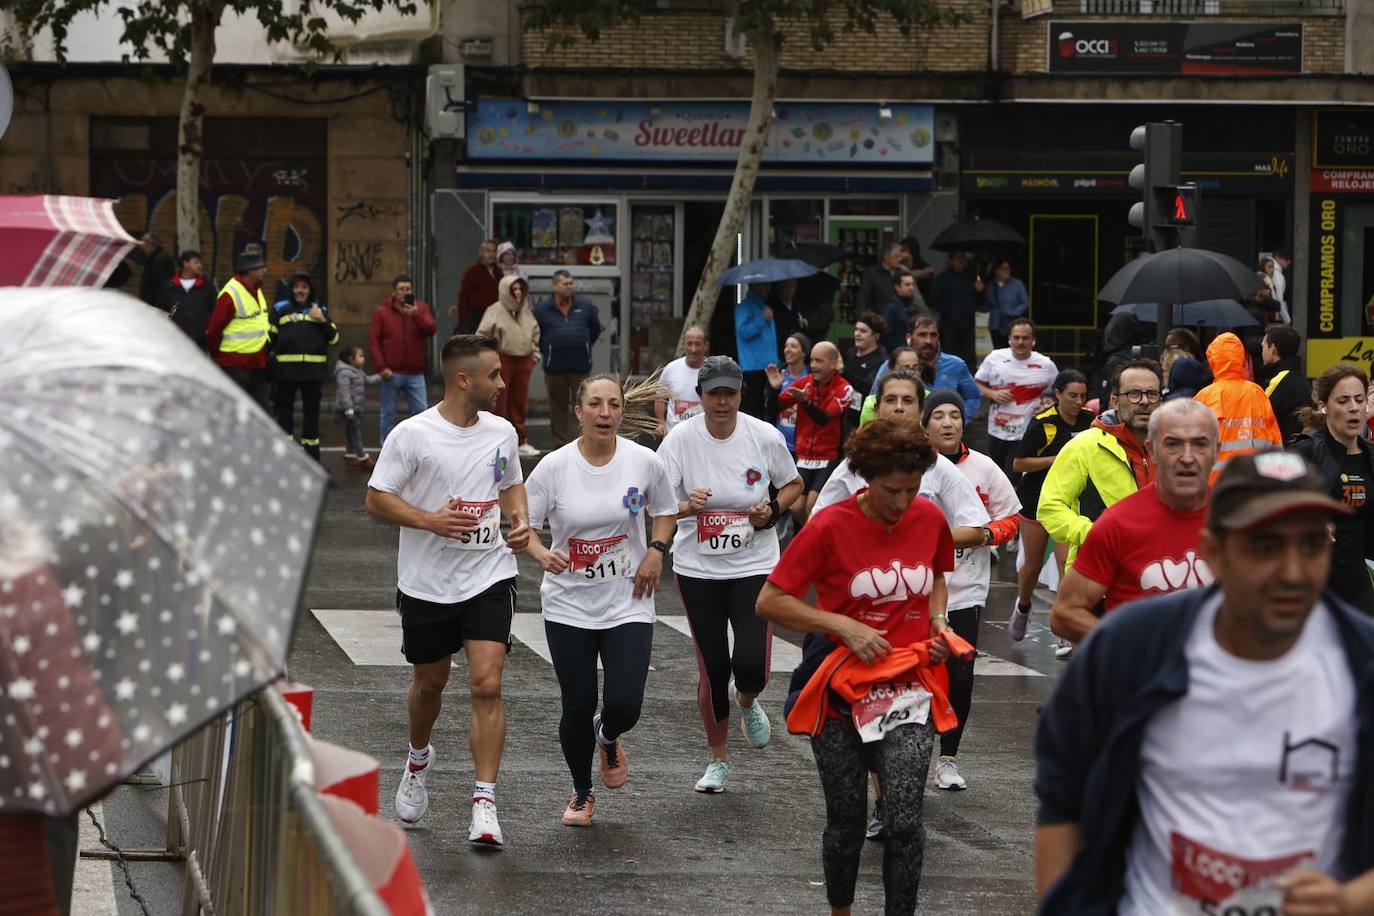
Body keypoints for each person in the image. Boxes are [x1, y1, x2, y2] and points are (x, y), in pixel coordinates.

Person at [1034, 450, 1374, 915]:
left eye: (1312, 545)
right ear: (1214, 551)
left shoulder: (1362, 663)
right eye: (1266, 547)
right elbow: (1062, 804)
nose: (1293, 572)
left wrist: (1348, 900)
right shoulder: (1130, 649)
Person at [758, 418, 956, 916]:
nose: (902, 502)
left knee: (905, 821)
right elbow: (770, 601)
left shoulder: (929, 518)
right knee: (846, 821)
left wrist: (936, 623)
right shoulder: (830, 525)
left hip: (907, 686)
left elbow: (935, 577)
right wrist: (843, 627)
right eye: (892, 490)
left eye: (912, 489)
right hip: (840, 687)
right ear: (867, 478)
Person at [364, 334, 531, 847]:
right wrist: (428, 520)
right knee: (430, 684)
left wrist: (519, 520)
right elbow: (376, 499)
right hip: (427, 582)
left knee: (487, 683)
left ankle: (484, 800)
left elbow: (509, 482)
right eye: (494, 376)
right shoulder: (413, 435)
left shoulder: (501, 432)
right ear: (464, 380)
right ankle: (418, 757)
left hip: (488, 573)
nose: (503, 384)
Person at [523, 375, 679, 826]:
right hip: (569, 603)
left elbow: (665, 510)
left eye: (613, 404)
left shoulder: (643, 462)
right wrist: (539, 552)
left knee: (625, 703)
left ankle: (607, 735)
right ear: (579, 411)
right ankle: (581, 791)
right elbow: (524, 525)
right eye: (595, 403)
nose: (605, 412)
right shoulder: (553, 467)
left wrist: (656, 550)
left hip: (628, 599)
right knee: (577, 702)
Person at [656, 355, 803, 793]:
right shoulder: (680, 440)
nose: (722, 402)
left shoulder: (764, 436)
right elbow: (657, 501)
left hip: (754, 565)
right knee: (714, 666)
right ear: (699, 396)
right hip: (698, 567)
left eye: (730, 393)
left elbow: (792, 485)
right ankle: (717, 758)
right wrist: (686, 507)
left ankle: (748, 700)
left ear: (741, 394)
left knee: (752, 665)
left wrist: (771, 510)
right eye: (712, 394)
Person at [1050, 399, 1219, 645]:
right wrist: (1134, 646)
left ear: (1217, 450)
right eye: (1172, 444)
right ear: (1151, 451)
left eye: (1200, 444)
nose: (1187, 457)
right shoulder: (1118, 523)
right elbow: (1065, 615)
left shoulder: (1240, 521)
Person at [922, 389, 1021, 791]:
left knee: (960, 676)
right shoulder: (912, 467)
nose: (948, 423)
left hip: (966, 587)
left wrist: (984, 534)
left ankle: (948, 758)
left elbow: (1012, 517)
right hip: (917, 588)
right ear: (924, 423)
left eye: (955, 416)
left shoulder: (983, 467)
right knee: (920, 673)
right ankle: (909, 753)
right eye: (939, 416)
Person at [1038, 359, 1162, 657]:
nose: (1144, 401)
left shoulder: (1170, 446)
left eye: (1152, 394)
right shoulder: (1085, 445)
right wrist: (1094, 534)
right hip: (1097, 583)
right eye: (1134, 394)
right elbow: (1050, 507)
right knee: (1100, 683)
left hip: (1158, 580)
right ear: (1114, 400)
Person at [1009, 369, 1093, 641]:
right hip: (1035, 499)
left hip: (1068, 502)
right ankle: (1023, 606)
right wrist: (1058, 459)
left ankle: (1063, 626)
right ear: (1057, 394)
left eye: (1082, 395)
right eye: (1072, 395)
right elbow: (1018, 463)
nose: (1078, 401)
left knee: (1066, 563)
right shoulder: (1043, 423)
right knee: (1032, 566)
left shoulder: (1090, 422)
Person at [1291, 363, 1374, 615]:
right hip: (1310, 580)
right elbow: (1270, 504)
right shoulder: (1306, 451)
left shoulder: (1371, 456)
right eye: (1343, 400)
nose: (1353, 408)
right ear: (1324, 405)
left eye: (1359, 400)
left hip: (1356, 579)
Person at [769, 341, 855, 523]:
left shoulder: (844, 388)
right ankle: (812, 537)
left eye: (819, 361)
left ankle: (817, 540)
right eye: (812, 360)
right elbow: (775, 406)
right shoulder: (805, 383)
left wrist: (805, 402)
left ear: (833, 363)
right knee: (796, 507)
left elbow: (824, 418)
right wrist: (774, 388)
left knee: (812, 505)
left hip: (828, 456)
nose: (813, 365)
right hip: (804, 455)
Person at [1194, 331, 1282, 485]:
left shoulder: (1204, 397)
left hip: (1214, 487)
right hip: (1256, 483)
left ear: (1212, 360)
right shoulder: (1257, 393)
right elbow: (1275, 439)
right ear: (1240, 358)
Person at [974, 318, 1058, 475]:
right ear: (1009, 339)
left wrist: (1049, 402)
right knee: (997, 475)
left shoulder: (1046, 364)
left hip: (1028, 431)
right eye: (1016, 337)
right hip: (998, 429)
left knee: (1015, 477)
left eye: (1025, 338)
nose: (1020, 342)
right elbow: (976, 384)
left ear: (1033, 341)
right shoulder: (994, 358)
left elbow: (1056, 392)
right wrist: (993, 393)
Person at [270, 271, 339, 462]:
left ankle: (312, 462)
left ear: (310, 290)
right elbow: (270, 339)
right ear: (292, 289)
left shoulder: (320, 310)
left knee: (311, 418)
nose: (300, 290)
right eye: (297, 287)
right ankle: (284, 460)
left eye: (304, 287)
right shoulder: (280, 309)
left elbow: (335, 339)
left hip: (313, 374)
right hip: (286, 373)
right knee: (284, 416)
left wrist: (322, 320)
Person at [535, 269, 603, 448]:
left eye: (571, 283)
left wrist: (584, 346)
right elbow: (537, 335)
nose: (569, 287)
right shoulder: (542, 309)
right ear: (555, 286)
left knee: (585, 406)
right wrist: (549, 350)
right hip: (554, 369)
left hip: (581, 367)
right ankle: (560, 445)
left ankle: (586, 443)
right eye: (565, 284)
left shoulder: (585, 306)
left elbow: (595, 330)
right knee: (558, 409)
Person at [369, 274, 437, 446]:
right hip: (391, 373)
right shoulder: (382, 311)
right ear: (394, 292)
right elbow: (374, 340)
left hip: (415, 372)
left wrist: (416, 316)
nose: (404, 292)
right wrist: (381, 367)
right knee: (388, 415)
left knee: (421, 415)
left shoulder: (420, 308)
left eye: (408, 289)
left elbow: (431, 329)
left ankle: (420, 450)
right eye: (401, 289)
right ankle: (387, 451)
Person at [478, 275, 541, 457]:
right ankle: (494, 442)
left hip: (524, 360)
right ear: (505, 291)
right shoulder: (494, 310)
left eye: (521, 289)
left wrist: (534, 356)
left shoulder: (525, 312)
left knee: (519, 402)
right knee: (498, 401)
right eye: (514, 289)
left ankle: (520, 441)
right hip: (502, 359)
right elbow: (481, 336)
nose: (518, 293)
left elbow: (535, 332)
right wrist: (488, 360)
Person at [206, 243, 272, 411]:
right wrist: (217, 355)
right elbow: (214, 330)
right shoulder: (230, 294)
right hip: (235, 364)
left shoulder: (256, 289)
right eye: (260, 267)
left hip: (256, 362)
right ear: (249, 270)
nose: (264, 270)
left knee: (262, 411)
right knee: (234, 409)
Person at [871, 317, 982, 414]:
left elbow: (973, 396)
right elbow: (874, 399)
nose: (928, 341)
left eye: (933, 335)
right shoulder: (892, 365)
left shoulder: (956, 365)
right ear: (909, 337)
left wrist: (960, 419)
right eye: (922, 335)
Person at [1256, 323, 1311, 443]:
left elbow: (1259, 417)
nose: (1262, 352)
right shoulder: (1299, 378)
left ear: (1273, 349)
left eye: (1263, 347)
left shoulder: (1279, 381)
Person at [930, 251, 982, 370]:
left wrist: (979, 291)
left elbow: (980, 302)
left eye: (963, 258)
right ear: (951, 261)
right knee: (950, 357)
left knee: (968, 359)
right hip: (949, 325)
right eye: (958, 258)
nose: (961, 261)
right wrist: (948, 311)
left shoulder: (971, 277)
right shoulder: (942, 278)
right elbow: (934, 300)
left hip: (968, 324)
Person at [655, 325, 709, 437]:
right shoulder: (671, 369)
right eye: (689, 343)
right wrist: (660, 422)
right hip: (674, 435)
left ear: (706, 346)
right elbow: (659, 397)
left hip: (703, 435)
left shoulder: (713, 370)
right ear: (683, 345)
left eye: (698, 344)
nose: (693, 349)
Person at [157, 249, 215, 351]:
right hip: (174, 341)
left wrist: (208, 332)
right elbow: (162, 311)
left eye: (200, 262)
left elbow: (214, 310)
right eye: (196, 262)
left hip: (200, 342)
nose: (199, 265)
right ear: (185, 263)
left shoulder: (207, 286)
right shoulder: (169, 286)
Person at [734, 281, 777, 420]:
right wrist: (762, 318)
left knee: (767, 407)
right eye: (763, 284)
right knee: (752, 409)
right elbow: (744, 332)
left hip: (769, 366)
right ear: (754, 285)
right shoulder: (744, 307)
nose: (767, 287)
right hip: (752, 367)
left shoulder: (764, 305)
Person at [766, 332, 812, 456]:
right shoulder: (777, 374)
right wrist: (774, 388)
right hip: (779, 444)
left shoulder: (812, 376)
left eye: (793, 346)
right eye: (786, 346)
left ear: (804, 352)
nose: (788, 350)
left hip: (804, 445)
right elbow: (769, 410)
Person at [335, 345, 381, 470]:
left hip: (356, 408)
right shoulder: (344, 373)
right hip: (349, 410)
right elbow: (344, 393)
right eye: (360, 356)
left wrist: (381, 376)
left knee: (351, 433)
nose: (363, 359)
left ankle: (350, 456)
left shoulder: (357, 371)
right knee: (355, 433)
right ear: (351, 359)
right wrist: (348, 408)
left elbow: (368, 380)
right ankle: (363, 458)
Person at [841, 313, 887, 420]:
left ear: (876, 336)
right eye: (856, 329)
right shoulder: (850, 353)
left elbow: (870, 387)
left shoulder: (881, 360)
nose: (857, 334)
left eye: (863, 331)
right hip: (844, 413)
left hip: (865, 417)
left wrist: (844, 371)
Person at [857, 347, 917, 425]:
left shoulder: (929, 398)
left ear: (921, 410)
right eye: (890, 400)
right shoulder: (870, 404)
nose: (912, 373)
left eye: (916, 368)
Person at [453, 239, 501, 335]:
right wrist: (464, 323)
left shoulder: (499, 273)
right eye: (488, 251)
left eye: (494, 251)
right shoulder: (472, 272)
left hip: (495, 317)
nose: (491, 254)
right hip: (476, 319)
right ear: (481, 253)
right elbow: (463, 298)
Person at [982, 260, 1028, 351]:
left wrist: (1012, 312)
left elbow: (1025, 303)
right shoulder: (991, 286)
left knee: (1013, 351)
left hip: (1012, 324)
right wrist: (979, 292)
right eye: (1003, 268)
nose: (1007, 271)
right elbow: (986, 306)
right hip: (995, 325)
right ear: (996, 271)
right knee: (999, 353)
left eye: (1008, 268)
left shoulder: (1017, 284)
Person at [879, 270, 929, 352]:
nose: (911, 288)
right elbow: (885, 335)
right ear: (897, 287)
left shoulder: (915, 309)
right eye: (907, 285)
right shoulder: (891, 309)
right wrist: (898, 351)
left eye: (912, 284)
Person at [857, 242, 906, 317]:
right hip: (879, 318)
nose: (900, 259)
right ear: (886, 257)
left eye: (900, 256)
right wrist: (863, 315)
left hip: (899, 318)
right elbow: (863, 296)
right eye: (896, 256)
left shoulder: (902, 272)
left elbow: (912, 295)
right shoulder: (872, 273)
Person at [135, 231, 176, 308]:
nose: (142, 248)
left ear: (151, 244)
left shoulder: (160, 260)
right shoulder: (152, 259)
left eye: (144, 244)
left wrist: (158, 308)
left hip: (156, 307)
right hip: (150, 305)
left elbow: (163, 286)